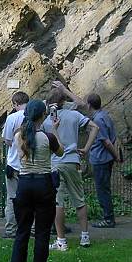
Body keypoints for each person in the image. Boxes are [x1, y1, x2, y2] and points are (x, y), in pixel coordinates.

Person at [9, 99, 63, 262]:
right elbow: (61, 152)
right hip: (43, 185)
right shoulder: (48, 137)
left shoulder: (19, 136)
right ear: (43, 115)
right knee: (42, 233)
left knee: (22, 231)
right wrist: (55, 129)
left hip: (24, 185)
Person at [43, 87, 99, 250]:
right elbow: (95, 127)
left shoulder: (47, 122)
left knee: (57, 202)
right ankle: (85, 237)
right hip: (73, 161)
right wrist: (86, 148)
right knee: (79, 199)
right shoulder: (75, 115)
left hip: (55, 163)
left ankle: (62, 241)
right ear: (63, 102)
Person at [86, 93, 121, 228]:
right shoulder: (104, 115)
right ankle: (108, 216)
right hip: (106, 158)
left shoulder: (98, 120)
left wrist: (116, 156)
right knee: (104, 188)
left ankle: (108, 219)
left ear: (89, 105)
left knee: (102, 190)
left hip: (101, 159)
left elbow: (106, 141)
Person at [1, 91, 29, 239]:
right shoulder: (33, 116)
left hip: (13, 164)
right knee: (30, 199)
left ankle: (11, 230)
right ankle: (31, 228)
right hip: (29, 165)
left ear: (15, 104)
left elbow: (7, 140)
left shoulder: (12, 118)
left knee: (12, 199)